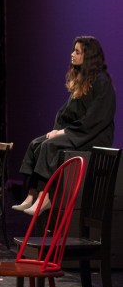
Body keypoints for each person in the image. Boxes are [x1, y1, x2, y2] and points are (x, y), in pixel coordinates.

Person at [12, 35, 116, 216]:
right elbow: (65, 112)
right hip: (77, 132)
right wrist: (57, 129)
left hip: (93, 136)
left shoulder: (102, 82)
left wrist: (64, 132)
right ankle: (32, 194)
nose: (72, 55)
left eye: (77, 52)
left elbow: (95, 119)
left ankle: (45, 197)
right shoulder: (83, 81)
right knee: (36, 144)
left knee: (49, 146)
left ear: (88, 56)